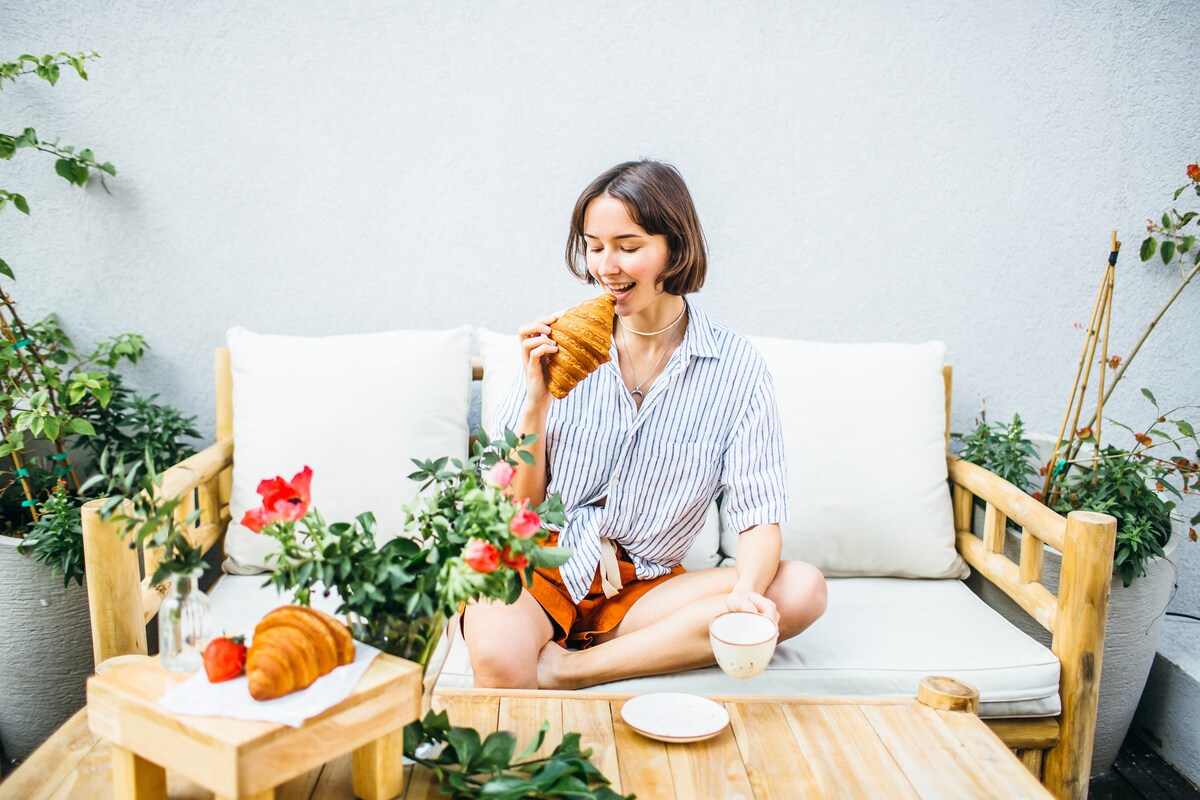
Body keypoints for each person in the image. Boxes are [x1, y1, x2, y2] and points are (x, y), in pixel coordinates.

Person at [462, 159, 827, 690]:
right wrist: (536, 403)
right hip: (541, 561)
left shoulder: (735, 367)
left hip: (644, 586)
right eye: (594, 246)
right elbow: (514, 508)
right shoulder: (560, 346)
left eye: (628, 247)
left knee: (800, 589)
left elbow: (759, 513)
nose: (605, 266)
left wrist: (746, 593)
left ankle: (572, 666)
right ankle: (573, 642)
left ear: (674, 249)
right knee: (498, 660)